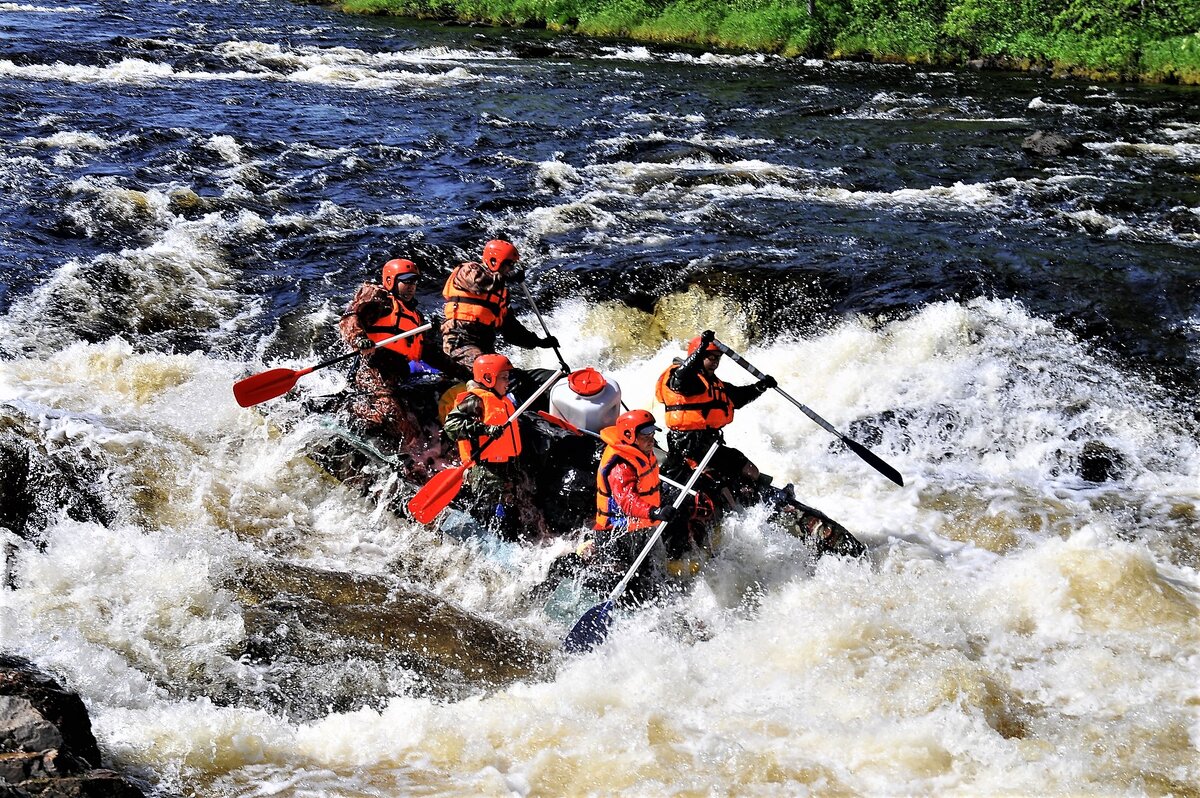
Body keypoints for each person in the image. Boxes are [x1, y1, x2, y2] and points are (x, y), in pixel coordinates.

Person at [338, 258, 465, 462]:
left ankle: (424, 456)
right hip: (372, 370)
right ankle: (348, 409)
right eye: (406, 281)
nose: (411, 287)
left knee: (431, 400)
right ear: (390, 280)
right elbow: (350, 320)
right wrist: (359, 339)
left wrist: (463, 373)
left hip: (397, 375)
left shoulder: (415, 317)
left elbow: (431, 354)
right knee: (393, 416)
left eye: (414, 282)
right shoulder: (379, 300)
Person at [654, 329, 776, 503]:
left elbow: (739, 398)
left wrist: (760, 387)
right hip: (686, 445)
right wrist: (703, 346)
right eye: (710, 357)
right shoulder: (684, 379)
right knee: (720, 487)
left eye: (717, 358)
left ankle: (755, 494)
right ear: (697, 356)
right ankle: (735, 504)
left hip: (709, 443)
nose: (715, 362)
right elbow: (681, 378)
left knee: (750, 470)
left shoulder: (716, 385)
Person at [442, 353, 549, 542]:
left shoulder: (502, 400)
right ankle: (486, 539)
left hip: (506, 469)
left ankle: (511, 539)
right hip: (486, 471)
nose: (508, 382)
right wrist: (484, 429)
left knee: (511, 510)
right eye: (504, 378)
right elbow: (451, 426)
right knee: (491, 511)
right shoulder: (474, 400)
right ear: (488, 378)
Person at [584, 409, 680, 598]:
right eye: (645, 435)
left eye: (653, 434)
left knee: (650, 577)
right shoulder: (621, 466)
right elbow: (628, 501)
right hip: (616, 533)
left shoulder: (643, 452)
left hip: (639, 527)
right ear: (629, 435)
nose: (651, 439)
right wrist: (655, 512)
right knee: (622, 585)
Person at [440, 239, 559, 378]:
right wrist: (507, 278)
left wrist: (538, 342)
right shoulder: (469, 270)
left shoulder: (501, 295)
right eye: (509, 264)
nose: (511, 269)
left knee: (509, 375)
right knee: (493, 373)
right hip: (459, 340)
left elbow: (511, 330)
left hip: (484, 344)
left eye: (513, 265)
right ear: (495, 260)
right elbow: (481, 282)